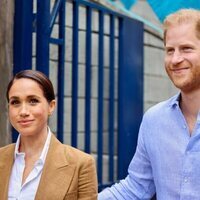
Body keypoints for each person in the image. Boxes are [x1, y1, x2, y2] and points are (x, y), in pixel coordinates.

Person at [98, 8, 200, 199]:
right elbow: (136, 187)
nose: (176, 59)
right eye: (170, 50)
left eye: (186, 48)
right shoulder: (154, 120)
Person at [0, 70, 98, 200]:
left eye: (33, 101)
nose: (23, 111)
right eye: (15, 102)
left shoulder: (81, 164)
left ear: (51, 106)